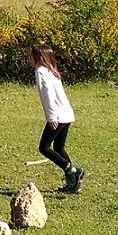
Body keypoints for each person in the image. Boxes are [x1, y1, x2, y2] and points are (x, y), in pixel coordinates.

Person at [30, 46, 84, 193]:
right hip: (66, 113)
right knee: (59, 148)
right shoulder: (52, 71)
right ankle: (74, 182)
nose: (29, 58)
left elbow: (47, 95)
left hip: (58, 115)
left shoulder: (41, 71)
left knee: (44, 147)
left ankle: (73, 171)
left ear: (39, 58)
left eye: (32, 56)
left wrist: (51, 116)